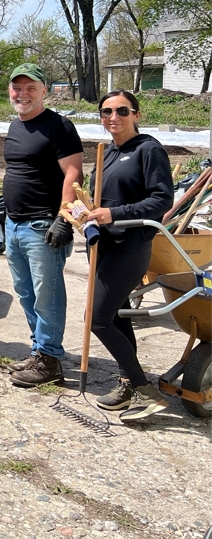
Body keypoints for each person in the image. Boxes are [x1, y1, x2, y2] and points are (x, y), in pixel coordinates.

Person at [84, 90, 174, 421]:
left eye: (122, 110)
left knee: (97, 320)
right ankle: (127, 384)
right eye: (106, 111)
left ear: (136, 114)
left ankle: (145, 391)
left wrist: (115, 214)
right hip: (103, 246)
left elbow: (161, 200)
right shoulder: (106, 152)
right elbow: (99, 201)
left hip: (130, 246)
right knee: (118, 317)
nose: (113, 117)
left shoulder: (148, 149)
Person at [2, 64, 83, 387]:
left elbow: (74, 174)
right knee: (25, 292)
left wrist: (65, 218)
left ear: (44, 90)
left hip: (42, 226)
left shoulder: (59, 126)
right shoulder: (14, 126)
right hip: (13, 224)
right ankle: (40, 351)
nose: (22, 94)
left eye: (30, 88)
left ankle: (50, 360)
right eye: (16, 88)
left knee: (46, 295)